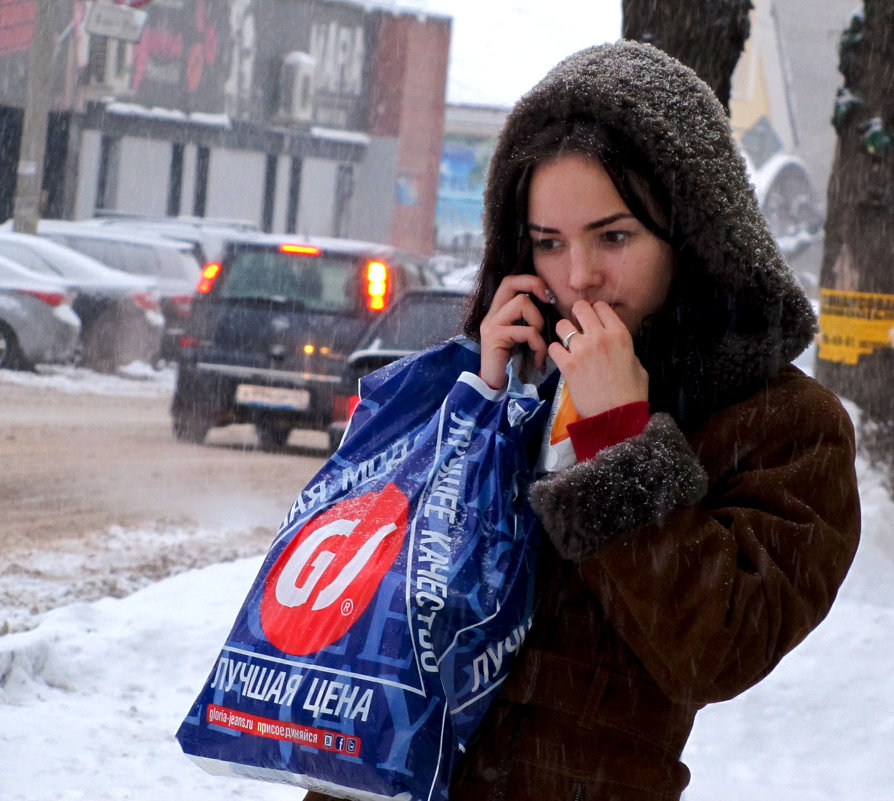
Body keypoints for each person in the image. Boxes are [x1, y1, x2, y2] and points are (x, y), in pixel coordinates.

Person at [308, 41, 861, 801]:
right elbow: (369, 597)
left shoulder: (786, 426)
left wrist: (619, 441)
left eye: (614, 236)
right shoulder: (506, 372)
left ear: (694, 233)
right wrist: (473, 407)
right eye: (548, 242)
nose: (578, 276)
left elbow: (719, 648)